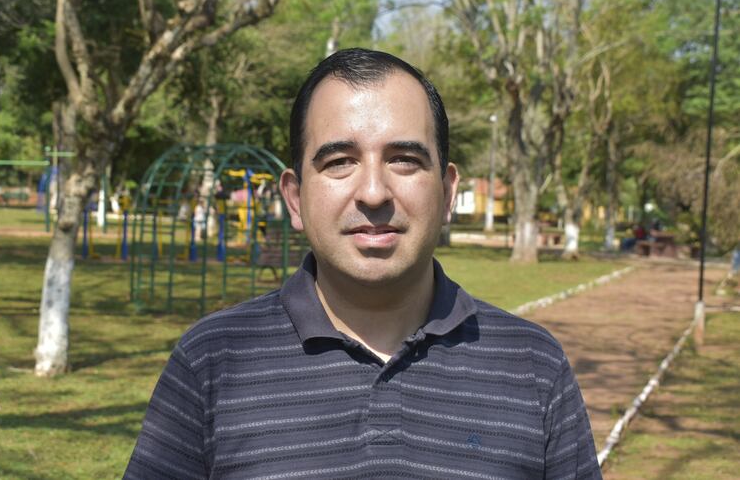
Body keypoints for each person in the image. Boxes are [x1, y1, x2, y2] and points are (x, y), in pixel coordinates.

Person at [124, 49, 602, 479]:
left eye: (404, 159)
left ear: (447, 192)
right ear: (295, 198)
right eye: (339, 162)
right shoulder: (212, 362)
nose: (373, 193)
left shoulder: (534, 368)